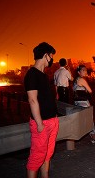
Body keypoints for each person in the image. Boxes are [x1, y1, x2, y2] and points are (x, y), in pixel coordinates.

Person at [24, 42, 59, 178]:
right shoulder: (32, 74)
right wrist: (39, 124)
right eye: (51, 56)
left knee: (47, 155)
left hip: (52, 120)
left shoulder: (43, 75)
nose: (51, 59)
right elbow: (32, 100)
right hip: (42, 123)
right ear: (46, 55)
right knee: (36, 158)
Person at [73, 64, 95, 143]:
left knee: (83, 119)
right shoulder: (82, 80)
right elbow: (90, 90)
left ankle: (88, 134)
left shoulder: (75, 79)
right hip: (83, 102)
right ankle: (93, 136)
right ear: (79, 72)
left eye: (86, 70)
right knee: (89, 119)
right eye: (83, 70)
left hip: (77, 102)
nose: (85, 71)